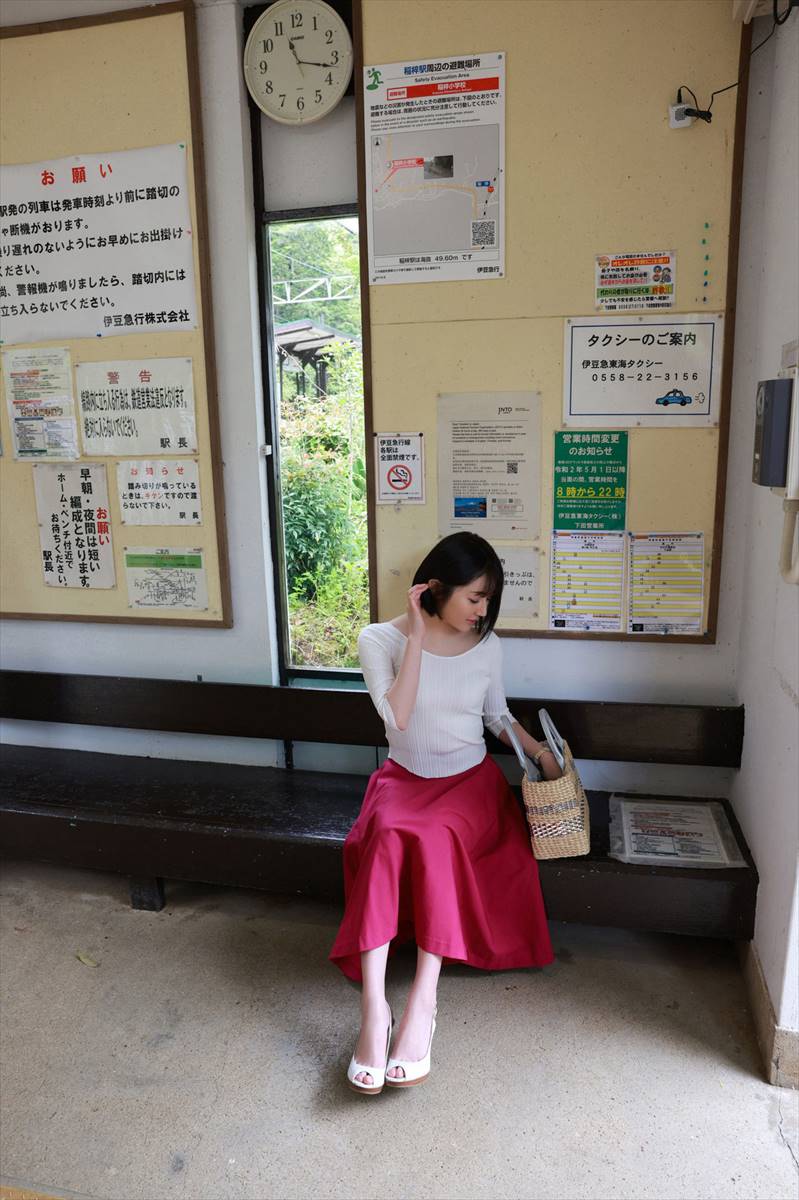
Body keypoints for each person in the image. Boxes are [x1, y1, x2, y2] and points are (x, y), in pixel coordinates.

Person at [329, 532, 561, 1094]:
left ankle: (423, 1001)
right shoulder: (378, 640)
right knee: (385, 836)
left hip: (468, 785)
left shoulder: (486, 644)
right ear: (436, 587)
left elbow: (496, 715)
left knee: (436, 838)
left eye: (488, 600)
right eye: (475, 598)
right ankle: (374, 1009)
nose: (482, 611)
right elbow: (398, 719)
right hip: (403, 781)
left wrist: (538, 753)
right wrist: (416, 637)